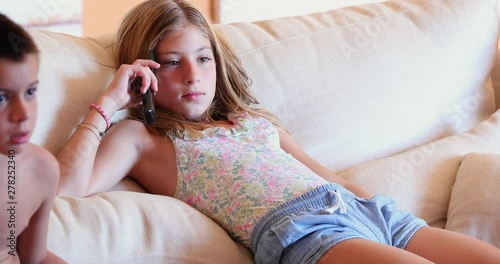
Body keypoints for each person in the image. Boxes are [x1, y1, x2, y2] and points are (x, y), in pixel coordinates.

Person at [56, 0, 500, 263]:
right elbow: (66, 189)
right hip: (303, 231)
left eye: (203, 57)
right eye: (172, 62)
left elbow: (327, 175)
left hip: (365, 212)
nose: (193, 74)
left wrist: (373, 208)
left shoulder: (253, 120)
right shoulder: (142, 139)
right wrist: (109, 103)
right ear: (144, 71)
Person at [0, 14, 66, 264]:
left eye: (30, 92)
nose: (23, 114)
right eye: (1, 98)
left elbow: (35, 259)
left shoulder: (42, 169)